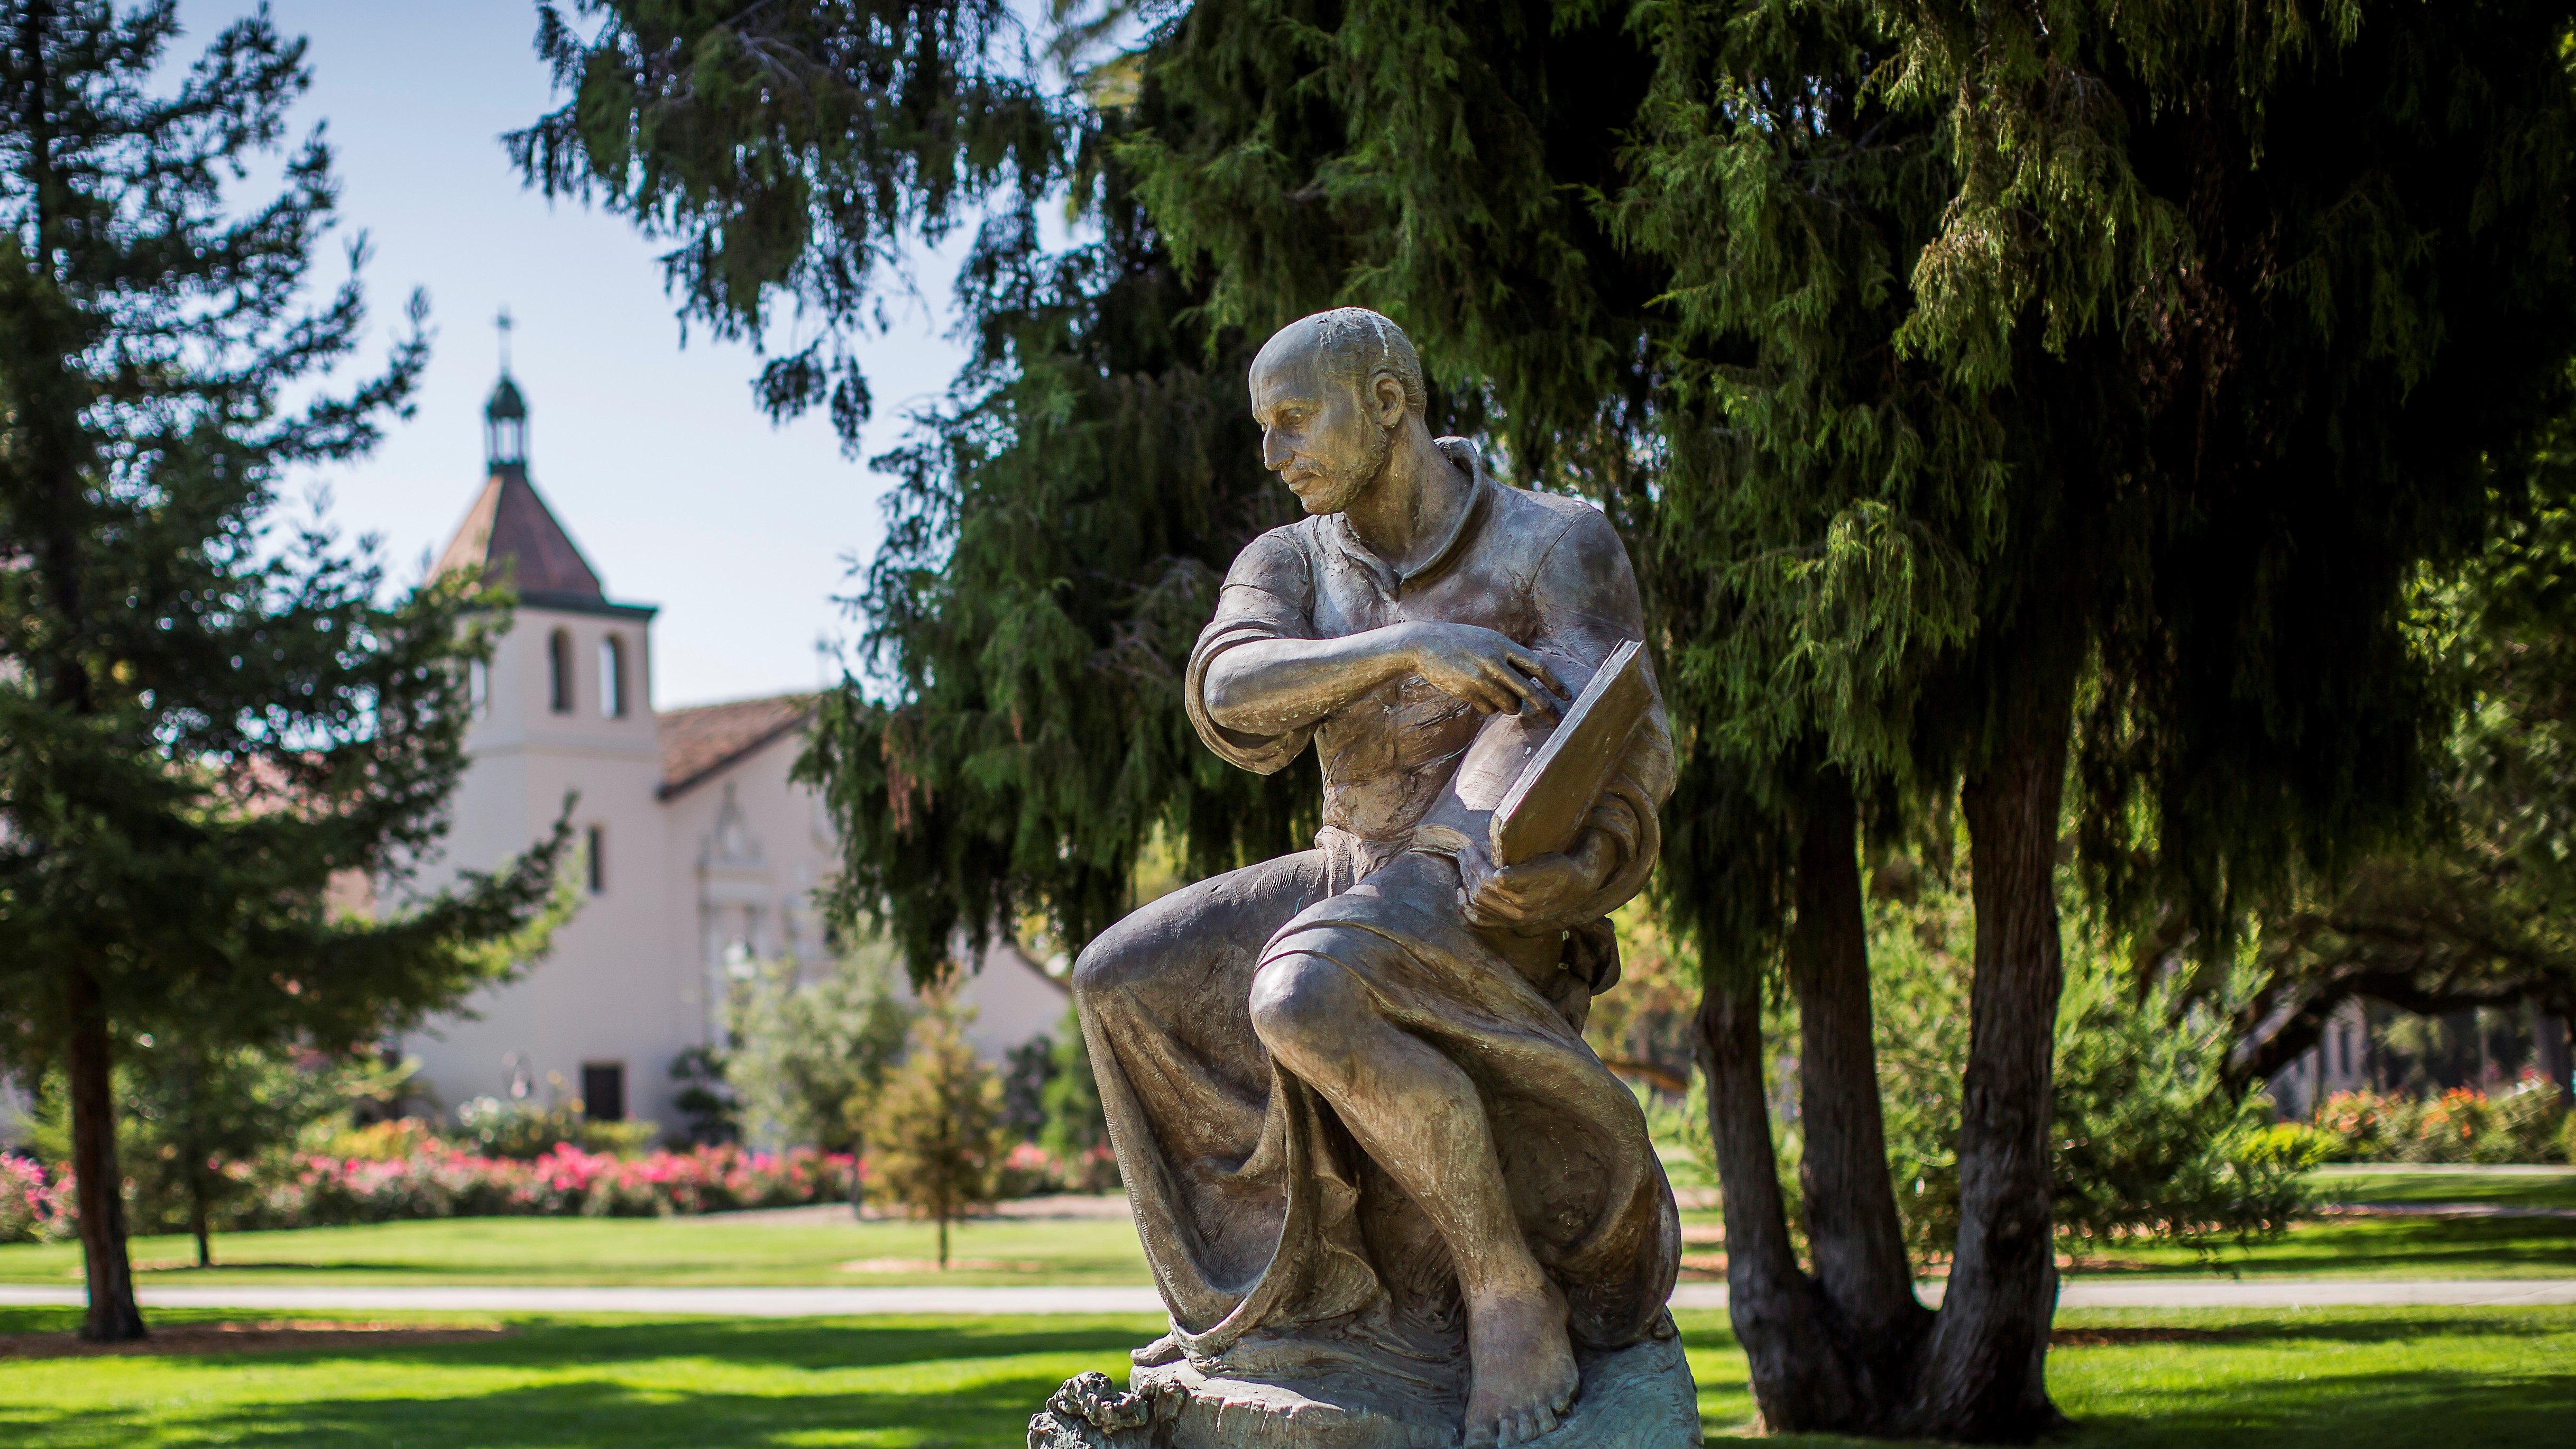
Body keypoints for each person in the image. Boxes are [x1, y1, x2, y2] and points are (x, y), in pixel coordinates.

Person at [1073, 308, 1679, 1448]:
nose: (1275, 453)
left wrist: (1581, 875)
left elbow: (1625, 743)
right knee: (1119, 980)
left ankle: (1507, 1290)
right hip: (1351, 869)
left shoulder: (1556, 541)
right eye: (1265, 428)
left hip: (1481, 884)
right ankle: (1271, 1306)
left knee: (1301, 991)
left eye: (1295, 419)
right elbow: (1226, 687)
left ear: (1387, 402)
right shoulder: (1292, 558)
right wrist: (1405, 647)